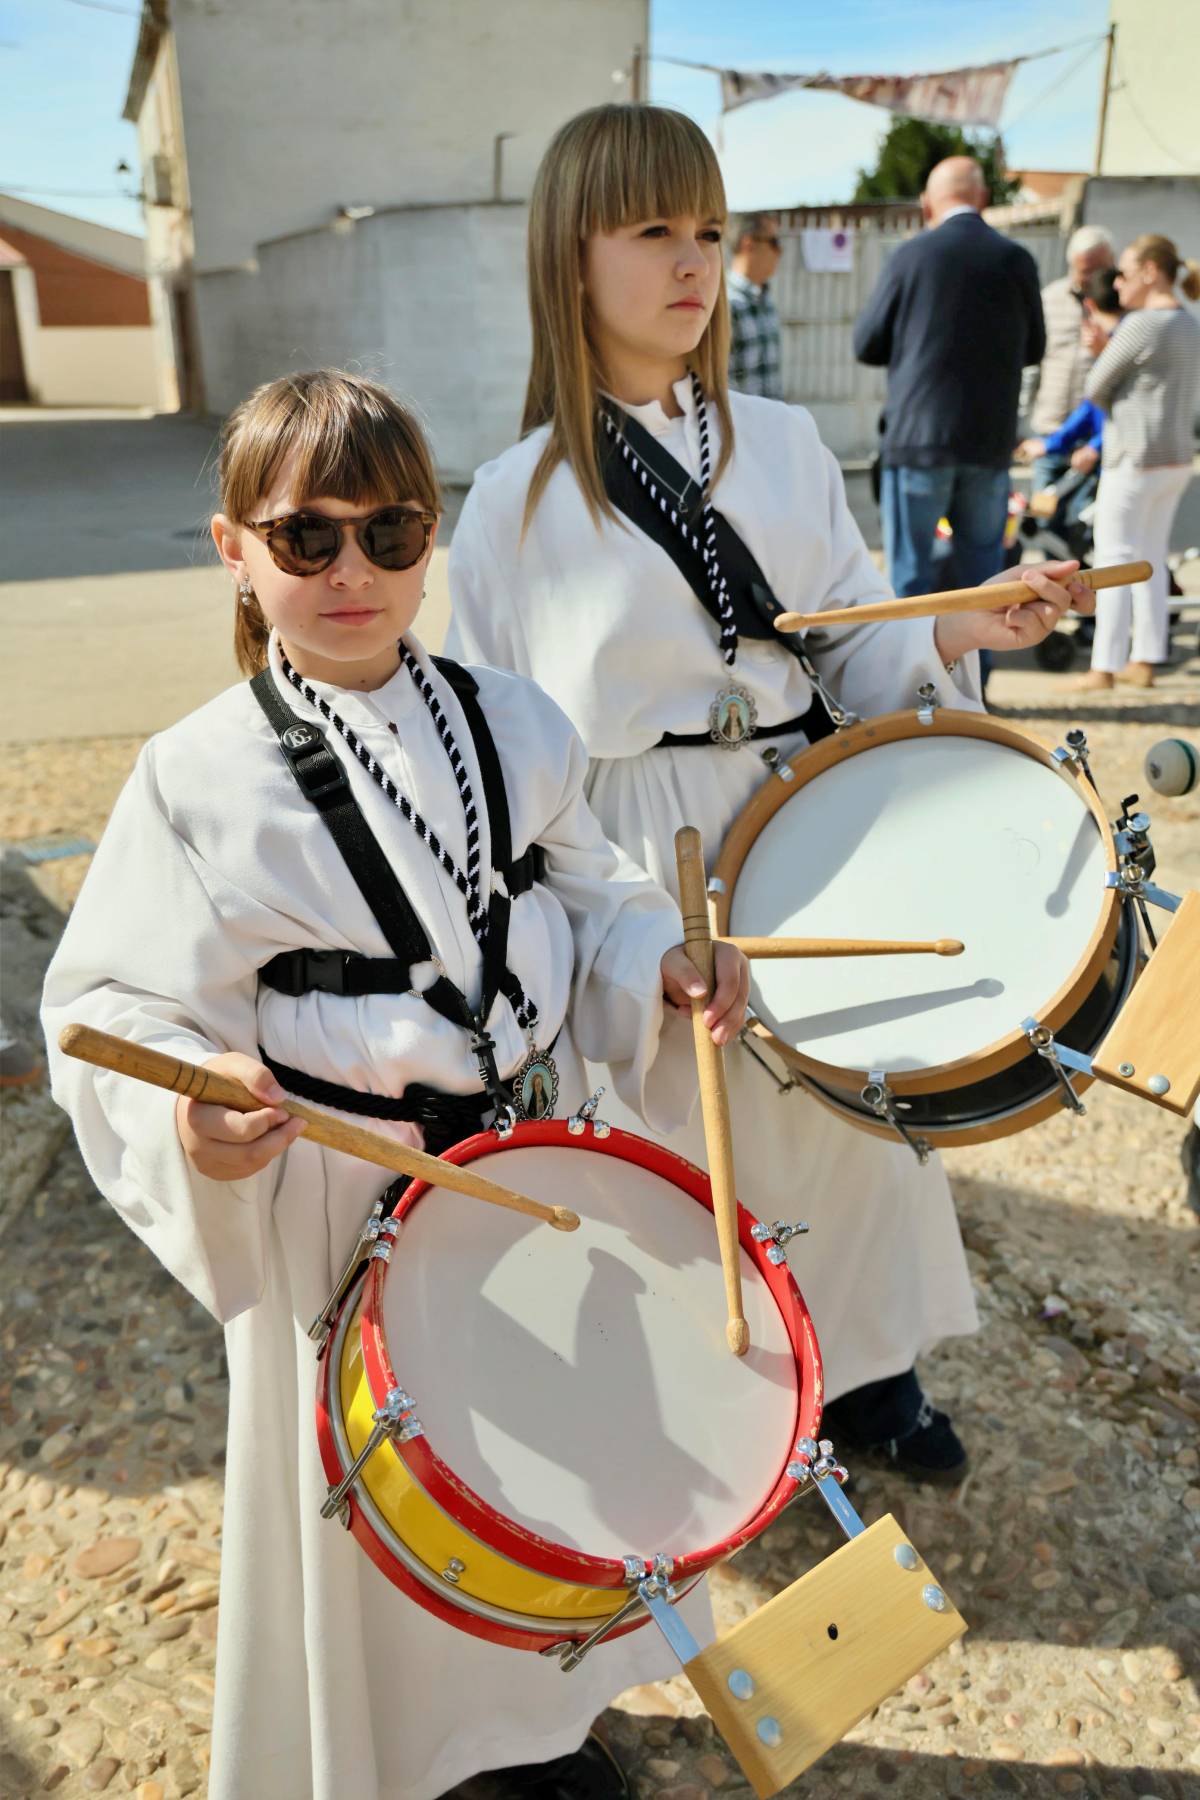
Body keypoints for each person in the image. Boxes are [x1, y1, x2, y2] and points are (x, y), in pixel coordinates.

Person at [41, 369, 750, 1800]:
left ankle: (542, 1728)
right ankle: (417, 1760)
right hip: (341, 1196)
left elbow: (593, 890)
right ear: (234, 550)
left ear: (433, 537)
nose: (354, 571)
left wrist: (657, 966)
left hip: (533, 1164)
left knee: (561, 1465)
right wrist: (194, 1110)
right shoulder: (195, 778)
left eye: (394, 531)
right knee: (378, 1516)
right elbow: (108, 1005)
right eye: (308, 538)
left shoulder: (518, 721)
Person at [446, 104, 1091, 1492]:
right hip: (638, 853)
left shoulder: (790, 445)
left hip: (803, 815)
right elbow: (503, 744)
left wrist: (974, 627)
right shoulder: (507, 502)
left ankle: (867, 1373)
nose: (694, 262)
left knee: (851, 1125)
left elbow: (858, 637)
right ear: (571, 257)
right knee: (682, 1142)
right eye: (653, 231)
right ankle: (730, 1410)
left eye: (710, 231)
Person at [853, 156, 1046, 601]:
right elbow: (1033, 349)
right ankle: (976, 670)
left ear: (926, 204)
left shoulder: (911, 255)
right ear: (982, 198)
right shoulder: (1016, 260)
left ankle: (912, 671)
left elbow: (867, 344)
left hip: (918, 441)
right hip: (989, 444)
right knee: (983, 584)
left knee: (911, 582)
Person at [1075, 233, 1200, 690]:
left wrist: (1099, 351)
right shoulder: (1188, 323)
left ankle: (1102, 667)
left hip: (1134, 456)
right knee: (1150, 558)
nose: (1119, 282)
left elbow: (1095, 385)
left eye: (1125, 272)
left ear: (1150, 271)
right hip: (1174, 458)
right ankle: (1145, 658)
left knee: (1113, 558)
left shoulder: (1141, 323)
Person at [1016, 265, 1124, 541]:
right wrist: (1050, 443)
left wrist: (1095, 446)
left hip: (1110, 463)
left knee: (1089, 534)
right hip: (1060, 437)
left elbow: (1129, 411)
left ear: (1090, 307)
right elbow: (1093, 405)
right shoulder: (1108, 348)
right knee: (1043, 521)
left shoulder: (1125, 344)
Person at [1022, 224, 1115, 496]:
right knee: (1041, 516)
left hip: (1096, 434)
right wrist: (1024, 420)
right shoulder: (1050, 300)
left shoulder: (1121, 305)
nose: (1090, 279)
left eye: (1098, 270)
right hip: (1051, 427)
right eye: (1084, 270)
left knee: (1087, 524)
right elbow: (1032, 364)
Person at [726, 211, 784, 398]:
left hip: (771, 422)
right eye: (774, 242)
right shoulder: (725, 305)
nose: (779, 251)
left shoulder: (765, 300)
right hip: (740, 426)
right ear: (748, 243)